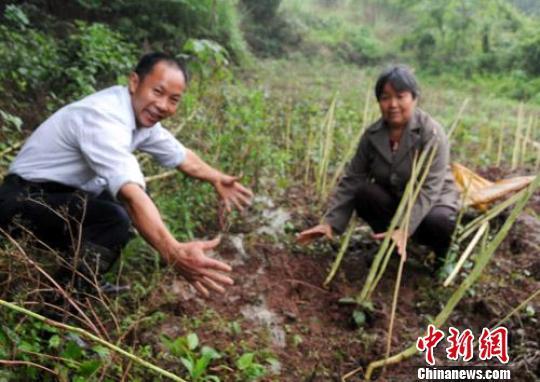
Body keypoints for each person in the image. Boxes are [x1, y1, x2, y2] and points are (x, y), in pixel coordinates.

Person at [0, 52, 253, 297]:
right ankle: (59, 309)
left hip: (58, 196)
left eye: (174, 99)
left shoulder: (141, 118)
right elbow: (132, 196)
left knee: (129, 205)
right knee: (116, 217)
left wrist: (216, 178)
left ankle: (85, 279)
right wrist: (172, 251)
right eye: (158, 92)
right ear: (134, 82)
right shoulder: (103, 117)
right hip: (21, 201)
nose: (163, 105)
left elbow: (182, 156)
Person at [297, 65, 459, 260]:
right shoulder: (372, 135)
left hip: (434, 202)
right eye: (385, 97)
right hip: (398, 199)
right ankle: (390, 247)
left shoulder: (431, 133)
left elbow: (430, 188)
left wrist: (405, 228)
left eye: (400, 96)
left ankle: (441, 256)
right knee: (365, 193)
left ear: (414, 98)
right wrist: (331, 223)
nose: (392, 104)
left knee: (438, 221)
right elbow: (353, 178)